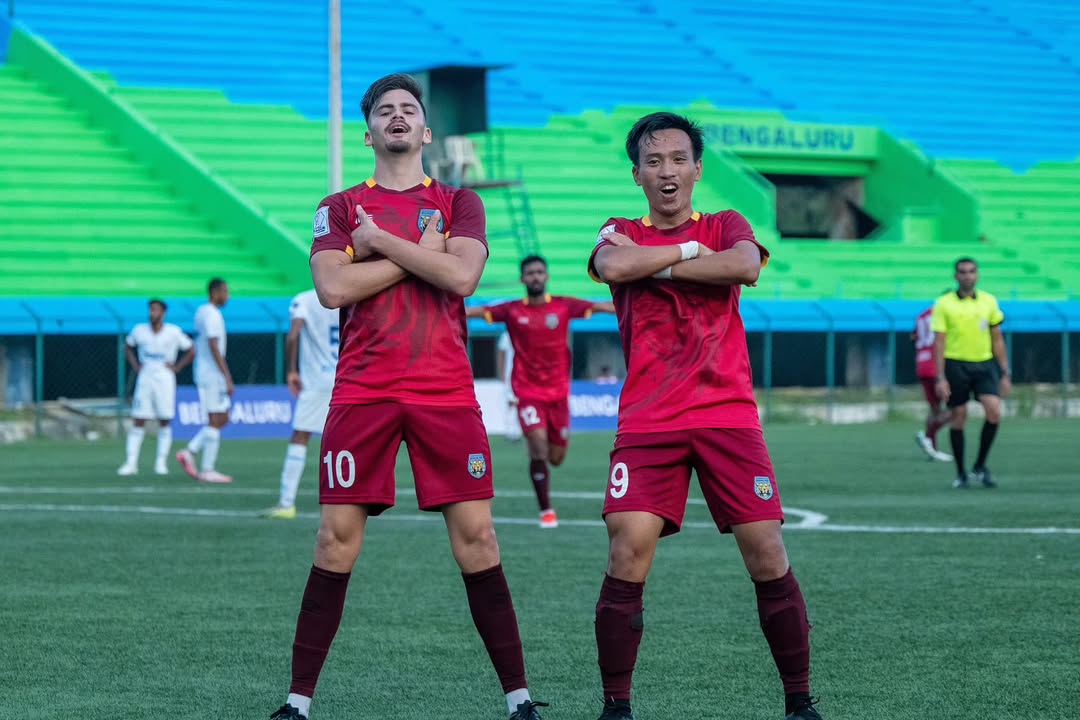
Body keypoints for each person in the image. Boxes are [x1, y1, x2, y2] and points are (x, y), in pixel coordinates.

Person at [270, 73, 545, 720]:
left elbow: (462, 275)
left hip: (443, 392)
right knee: (334, 542)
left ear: (426, 132)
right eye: (384, 111)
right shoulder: (338, 207)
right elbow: (333, 291)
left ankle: (520, 699)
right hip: (362, 392)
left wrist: (383, 246)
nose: (397, 117)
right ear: (368, 134)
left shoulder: (459, 202)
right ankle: (297, 702)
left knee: (478, 540)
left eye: (408, 110)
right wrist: (418, 253)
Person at [586, 112, 821, 720]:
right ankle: (617, 707)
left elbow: (743, 266)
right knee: (626, 552)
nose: (667, 170)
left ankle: (799, 701)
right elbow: (612, 267)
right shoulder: (617, 229)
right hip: (648, 419)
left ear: (697, 168)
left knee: (765, 548)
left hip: (727, 415)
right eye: (654, 160)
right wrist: (691, 255)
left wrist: (659, 260)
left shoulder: (726, 223)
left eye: (678, 159)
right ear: (637, 173)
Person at [467, 255, 614, 528]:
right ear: (523, 279)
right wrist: (441, 308)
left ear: (546, 277)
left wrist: (637, 306)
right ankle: (546, 510)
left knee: (555, 458)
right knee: (537, 446)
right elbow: (477, 311)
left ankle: (543, 464)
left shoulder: (562, 306)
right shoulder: (511, 310)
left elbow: (602, 307)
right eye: (530, 273)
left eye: (539, 272)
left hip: (558, 395)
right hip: (528, 392)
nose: (535, 277)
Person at [931, 257, 1011, 488]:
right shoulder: (944, 304)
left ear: (977, 275)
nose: (967, 276)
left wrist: (1004, 371)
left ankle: (980, 465)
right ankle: (961, 473)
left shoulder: (988, 301)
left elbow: (997, 338)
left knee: (994, 411)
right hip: (956, 365)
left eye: (971, 271)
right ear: (956, 276)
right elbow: (939, 342)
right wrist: (940, 377)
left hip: (985, 365)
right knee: (959, 417)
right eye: (962, 272)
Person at [263, 288, 340, 519]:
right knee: (345, 441)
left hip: (317, 380)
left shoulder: (304, 300)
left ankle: (286, 503)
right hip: (346, 376)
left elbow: (294, 335)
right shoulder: (347, 295)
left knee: (300, 436)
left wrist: (292, 371)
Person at [117, 299, 195, 476]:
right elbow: (127, 347)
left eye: (156, 310)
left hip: (165, 379)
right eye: (151, 310)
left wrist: (177, 367)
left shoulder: (173, 332)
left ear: (163, 313)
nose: (152, 313)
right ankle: (131, 462)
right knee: (139, 418)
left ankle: (161, 462)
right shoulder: (139, 330)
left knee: (164, 420)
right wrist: (136, 365)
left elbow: (191, 350)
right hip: (145, 378)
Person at [176, 277, 234, 483]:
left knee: (222, 417)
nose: (227, 296)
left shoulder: (202, 312)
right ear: (215, 292)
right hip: (212, 374)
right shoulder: (212, 315)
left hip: (205, 372)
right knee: (216, 419)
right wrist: (226, 375)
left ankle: (191, 451)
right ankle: (207, 468)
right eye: (225, 291)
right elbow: (213, 345)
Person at [912, 306, 952, 462]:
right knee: (957, 410)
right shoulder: (947, 311)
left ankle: (932, 449)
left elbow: (914, 337)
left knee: (935, 409)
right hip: (937, 365)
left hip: (922, 363)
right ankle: (928, 437)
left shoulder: (922, 315)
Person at [497, 331, 523, 442]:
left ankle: (518, 430)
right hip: (509, 374)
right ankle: (509, 430)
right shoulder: (506, 336)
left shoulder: (523, 334)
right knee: (510, 403)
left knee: (520, 403)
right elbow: (501, 354)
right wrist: (502, 373)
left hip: (522, 375)